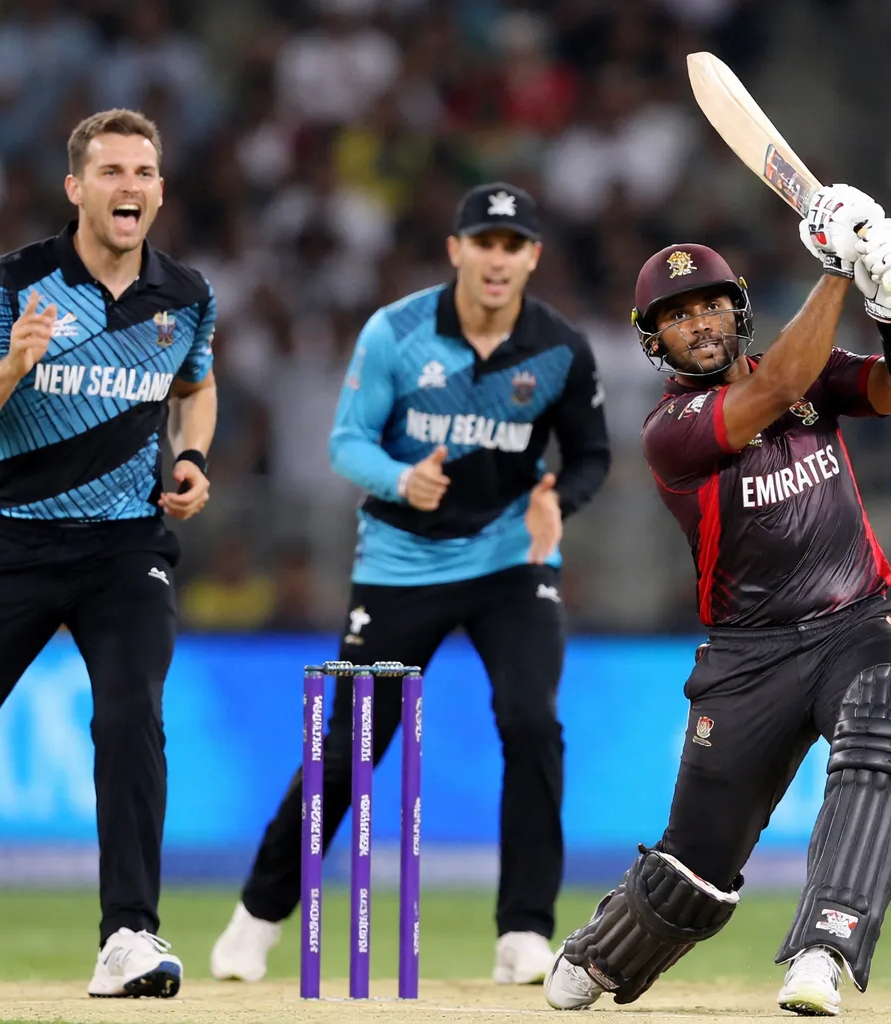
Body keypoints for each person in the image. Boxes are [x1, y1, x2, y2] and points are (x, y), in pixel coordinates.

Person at [544, 183, 891, 1017]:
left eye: (712, 305)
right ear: (655, 342)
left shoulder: (811, 373)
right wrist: (837, 270)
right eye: (678, 316)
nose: (700, 324)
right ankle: (603, 951)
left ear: (738, 311)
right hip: (749, 659)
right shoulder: (672, 429)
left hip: (860, 622)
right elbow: (769, 393)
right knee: (697, 872)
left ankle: (824, 948)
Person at [211, 182, 611, 986]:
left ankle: (525, 932)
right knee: (351, 748)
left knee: (532, 722)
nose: (497, 260)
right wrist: (401, 480)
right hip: (401, 564)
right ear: (456, 250)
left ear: (531, 257)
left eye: (513, 246)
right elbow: (347, 444)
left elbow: (593, 454)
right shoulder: (396, 332)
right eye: (483, 243)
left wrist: (554, 499)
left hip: (510, 562)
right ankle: (256, 918)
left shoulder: (560, 347)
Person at [0, 109, 217, 998]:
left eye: (143, 171)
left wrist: (191, 456)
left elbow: (197, 388)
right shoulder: (14, 284)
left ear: (160, 188)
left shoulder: (185, 295)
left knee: (130, 721)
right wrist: (11, 368)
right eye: (110, 172)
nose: (128, 186)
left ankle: (129, 935)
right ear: (76, 188)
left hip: (125, 548)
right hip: (7, 545)